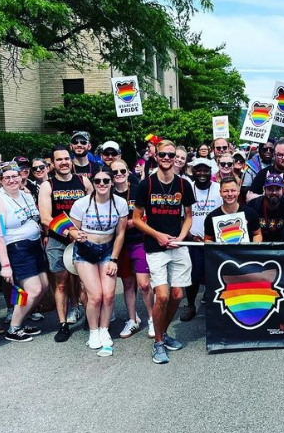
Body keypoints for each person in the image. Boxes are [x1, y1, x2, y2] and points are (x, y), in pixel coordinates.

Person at [133, 140, 195, 364]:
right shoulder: (146, 185)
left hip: (178, 246)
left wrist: (181, 237)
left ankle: (164, 333)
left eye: (171, 155)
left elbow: (188, 216)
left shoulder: (184, 185)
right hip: (155, 247)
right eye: (163, 155)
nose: (167, 158)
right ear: (156, 157)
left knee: (178, 295)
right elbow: (136, 219)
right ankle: (158, 342)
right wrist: (157, 235)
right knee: (162, 295)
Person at [69, 167, 129, 356]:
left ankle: (104, 330)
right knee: (95, 295)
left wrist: (114, 259)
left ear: (112, 183)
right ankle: (93, 332)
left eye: (105, 181)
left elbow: (120, 234)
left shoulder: (120, 203)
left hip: (107, 251)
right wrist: (74, 234)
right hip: (85, 251)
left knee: (109, 294)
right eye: (97, 181)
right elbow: (71, 229)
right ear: (93, 183)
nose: (102, 184)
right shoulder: (81, 203)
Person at [0, 161, 49, 342]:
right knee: (33, 289)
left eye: (15, 176)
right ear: (0, 180)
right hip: (15, 248)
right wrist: (5, 266)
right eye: (6, 177)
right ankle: (13, 328)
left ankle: (20, 321)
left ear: (21, 176)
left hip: (34, 246)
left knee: (44, 286)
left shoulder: (26, 195)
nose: (12, 180)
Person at [38, 145, 91, 342]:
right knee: (61, 284)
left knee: (85, 283)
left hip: (83, 240)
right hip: (58, 240)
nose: (64, 162)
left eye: (66, 158)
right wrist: (69, 231)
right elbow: (45, 217)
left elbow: (93, 207)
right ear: (53, 163)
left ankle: (90, 318)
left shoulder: (83, 181)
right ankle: (63, 324)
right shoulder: (47, 185)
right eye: (59, 159)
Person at [111, 159, 154, 339]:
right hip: (119, 244)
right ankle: (132, 319)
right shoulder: (108, 192)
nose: (119, 174)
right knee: (128, 284)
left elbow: (151, 213)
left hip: (139, 241)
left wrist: (135, 221)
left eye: (122, 170)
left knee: (144, 284)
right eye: (115, 172)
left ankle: (153, 318)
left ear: (128, 171)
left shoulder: (138, 189)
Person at [183, 158, 223, 321]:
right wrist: (190, 235)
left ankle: (215, 309)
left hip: (214, 241)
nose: (201, 173)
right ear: (192, 171)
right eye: (198, 170)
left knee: (215, 276)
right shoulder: (186, 188)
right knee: (192, 277)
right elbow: (182, 217)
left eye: (205, 170)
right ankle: (191, 305)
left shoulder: (219, 189)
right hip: (193, 240)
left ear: (211, 171)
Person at [204, 176, 263, 243]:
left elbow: (257, 234)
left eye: (233, 190)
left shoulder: (250, 213)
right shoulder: (211, 217)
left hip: (245, 253)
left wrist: (253, 250)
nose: (230, 194)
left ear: (238, 192)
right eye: (226, 191)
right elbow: (208, 239)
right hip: (222, 253)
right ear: (220, 192)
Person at [248, 174, 284, 242]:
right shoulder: (253, 205)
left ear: (283, 190)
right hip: (259, 247)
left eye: (278, 189)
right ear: (264, 189)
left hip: (283, 247)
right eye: (270, 189)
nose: (274, 192)